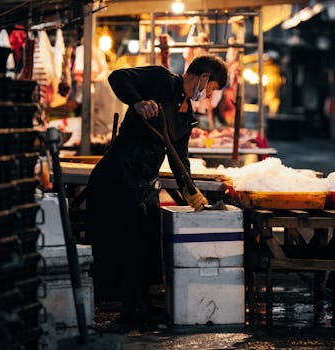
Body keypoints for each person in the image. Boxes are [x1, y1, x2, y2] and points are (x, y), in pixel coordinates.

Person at [85, 54, 228, 329]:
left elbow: (178, 157)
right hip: (118, 177)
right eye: (212, 89)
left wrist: (192, 193)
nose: (209, 96)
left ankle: (141, 309)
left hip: (144, 184)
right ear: (204, 78)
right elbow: (118, 77)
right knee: (125, 246)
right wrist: (137, 102)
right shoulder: (162, 80)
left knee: (146, 246)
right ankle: (129, 311)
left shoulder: (186, 113)